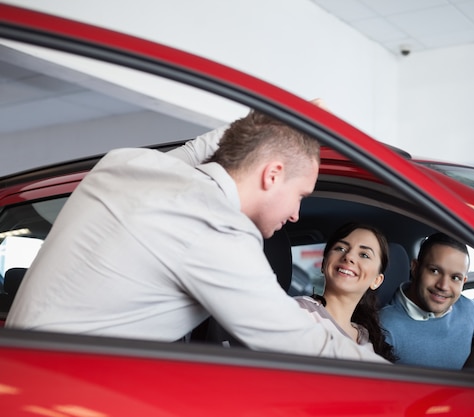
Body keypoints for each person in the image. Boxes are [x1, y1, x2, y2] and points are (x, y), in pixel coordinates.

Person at [6, 107, 388, 363]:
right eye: (300, 195)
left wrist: (284, 117)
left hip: (26, 377)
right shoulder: (216, 228)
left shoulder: (126, 163)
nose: (295, 213)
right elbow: (303, 341)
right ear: (272, 175)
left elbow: (200, 149)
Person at [379, 232, 474, 369]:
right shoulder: (384, 327)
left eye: (455, 278)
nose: (443, 286)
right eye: (435, 271)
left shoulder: (468, 309)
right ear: (415, 268)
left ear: (464, 281)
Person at [295, 222, 396, 361]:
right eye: (340, 248)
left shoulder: (366, 337)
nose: (349, 257)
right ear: (324, 264)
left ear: (377, 281)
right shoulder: (298, 312)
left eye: (364, 255)